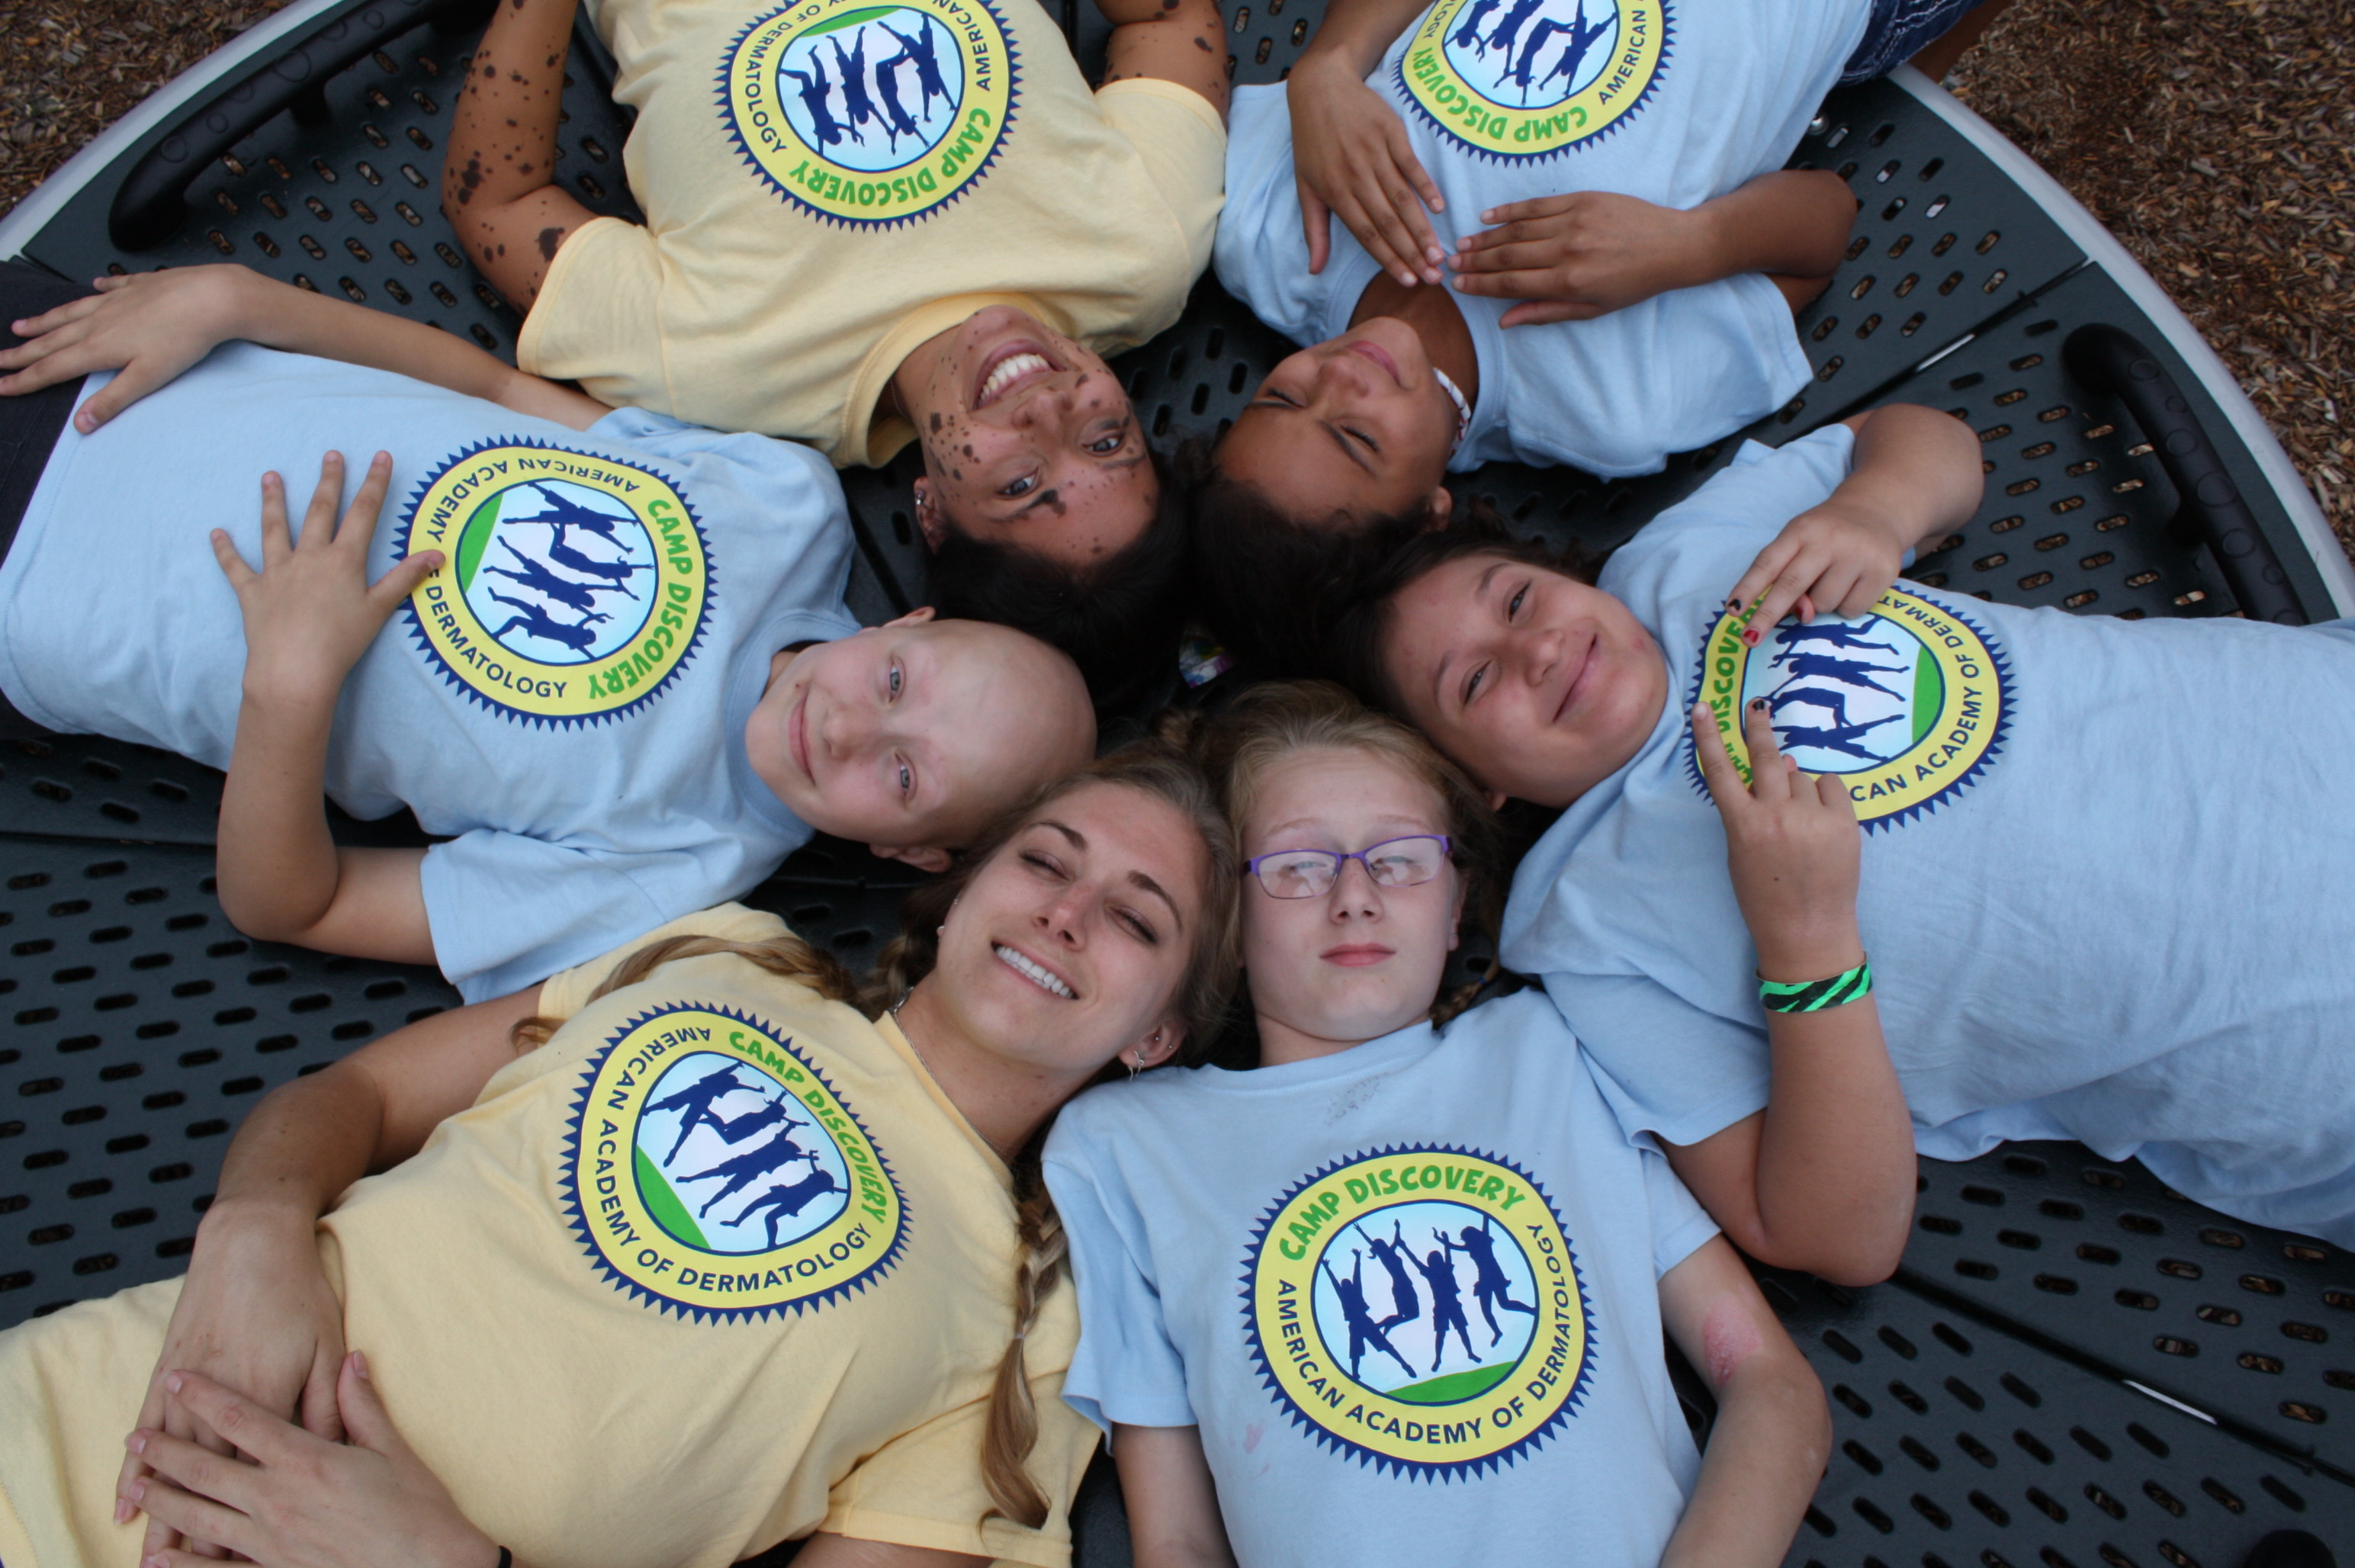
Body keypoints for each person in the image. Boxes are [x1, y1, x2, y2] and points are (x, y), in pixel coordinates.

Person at [0, 739, 1241, 1568]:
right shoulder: (729, 955)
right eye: (1042, 859)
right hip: (94, 1415)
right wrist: (255, 1232)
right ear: (966, 883)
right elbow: (355, 1095)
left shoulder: (1036, 1315)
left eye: (1135, 919)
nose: (1064, 913)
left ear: (1159, 1034)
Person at [1335, 397, 2355, 1261]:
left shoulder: (1690, 560)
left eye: (1515, 598)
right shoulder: (1596, 944)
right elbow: (1834, 1236)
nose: (1540, 650)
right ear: (1474, 788)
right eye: (1473, 684)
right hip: (2302, 1047)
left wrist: (1875, 511)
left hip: (2309, 721)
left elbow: (1927, 438)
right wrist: (1807, 940)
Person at [0, 261, 1096, 1003]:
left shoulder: (669, 874)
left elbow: (293, 902)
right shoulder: (782, 503)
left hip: (42, 585)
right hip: (128, 365)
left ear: (910, 851)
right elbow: (490, 384)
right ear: (907, 618)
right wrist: (240, 300)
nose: (853, 725)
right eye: (898, 679)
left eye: (904, 780)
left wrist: (289, 689)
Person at [1043, 683, 1847, 1566]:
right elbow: (1181, 1539)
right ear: (1227, 926)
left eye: (1399, 858)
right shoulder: (1124, 1146)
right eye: (1298, 865)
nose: (1354, 895)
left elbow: (1768, 1382)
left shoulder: (1546, 1048)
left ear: (1455, 903)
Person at [1190, 0, 2012, 670]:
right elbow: (1826, 217)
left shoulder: (1272, 241)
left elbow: (1333, 67)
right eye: (1356, 436)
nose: (1339, 379)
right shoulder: (1607, 404)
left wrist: (1329, 66)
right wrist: (1692, 246)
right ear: (1430, 512)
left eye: (1283, 395)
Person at [441, 0, 1232, 692]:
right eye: (1105, 437)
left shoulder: (724, 369)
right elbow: (1168, 19)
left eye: (1023, 480)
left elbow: (496, 203)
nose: (1050, 409)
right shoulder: (1143, 249)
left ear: (933, 515)